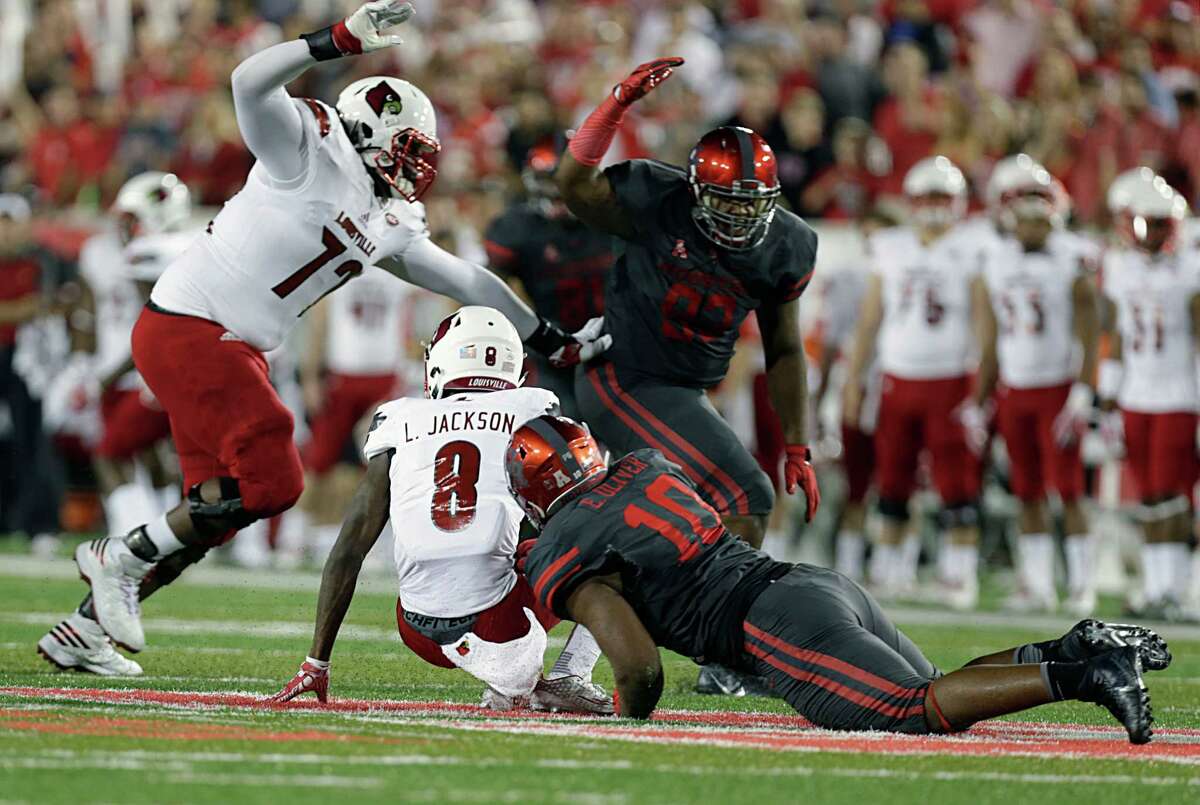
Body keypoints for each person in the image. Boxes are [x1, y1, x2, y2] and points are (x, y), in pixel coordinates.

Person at [44, 1, 610, 663]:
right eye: (407, 148)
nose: (417, 167)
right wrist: (334, 40)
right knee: (277, 479)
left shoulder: (386, 215)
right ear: (367, 128)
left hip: (235, 346)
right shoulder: (309, 144)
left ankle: (84, 626)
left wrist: (550, 339)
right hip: (191, 324)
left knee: (220, 507)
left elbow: (470, 282)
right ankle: (117, 555)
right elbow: (247, 82)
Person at [507, 414, 1168, 744]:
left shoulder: (563, 543)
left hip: (772, 622)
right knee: (941, 689)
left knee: (914, 710)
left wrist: (627, 730)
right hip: (807, 583)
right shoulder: (645, 467)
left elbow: (639, 668)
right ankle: (1072, 646)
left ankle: (1087, 674)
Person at [557, 56, 820, 697]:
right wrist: (615, 105)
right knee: (745, 495)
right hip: (625, 376)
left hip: (680, 389)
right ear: (696, 191)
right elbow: (575, 185)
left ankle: (578, 664)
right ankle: (722, 650)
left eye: (751, 205)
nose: (739, 218)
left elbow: (784, 348)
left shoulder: (787, 244)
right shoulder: (656, 199)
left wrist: (797, 441)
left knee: (647, 530)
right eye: (726, 203)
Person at [269, 307, 611, 714]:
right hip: (501, 622)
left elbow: (349, 548)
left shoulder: (399, 418)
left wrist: (316, 661)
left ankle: (513, 673)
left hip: (416, 629)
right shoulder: (532, 409)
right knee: (613, 543)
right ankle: (569, 673)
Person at [843, 156, 992, 610]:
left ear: (959, 202)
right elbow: (870, 320)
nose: (932, 207)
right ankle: (892, 571)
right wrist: (854, 379)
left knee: (958, 484)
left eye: (940, 198)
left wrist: (982, 388)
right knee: (892, 479)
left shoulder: (973, 246)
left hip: (950, 378)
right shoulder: (890, 246)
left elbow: (985, 324)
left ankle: (959, 574)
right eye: (925, 198)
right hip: (897, 377)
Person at [976, 161, 1102, 616]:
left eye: (1038, 211)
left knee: (1068, 490)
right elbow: (991, 337)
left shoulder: (1074, 256)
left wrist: (1085, 391)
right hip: (1015, 388)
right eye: (1023, 213)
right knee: (1026, 490)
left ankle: (1083, 585)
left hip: (1056, 388)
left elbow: (1092, 333)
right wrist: (979, 398)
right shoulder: (995, 257)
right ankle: (1038, 584)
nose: (1030, 222)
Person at [1099, 170, 1199, 621]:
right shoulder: (1119, 267)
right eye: (1145, 224)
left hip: (1178, 392)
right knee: (1150, 496)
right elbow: (1116, 335)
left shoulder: (1191, 267)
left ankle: (1173, 588)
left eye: (1160, 224)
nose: (1152, 234)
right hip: (1137, 392)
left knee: (1172, 494)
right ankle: (1159, 585)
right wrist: (1106, 395)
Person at [485, 138, 616, 418]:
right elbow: (489, 291)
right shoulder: (518, 229)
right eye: (549, 180)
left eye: (563, 180)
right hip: (551, 350)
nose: (557, 190)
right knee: (557, 430)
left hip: (614, 348)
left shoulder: (611, 218)